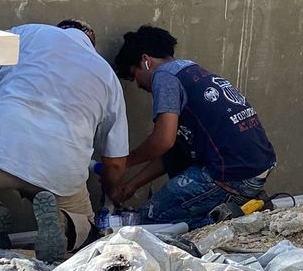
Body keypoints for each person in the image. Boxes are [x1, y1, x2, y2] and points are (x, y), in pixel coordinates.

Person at [0, 21, 130, 262]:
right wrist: (113, 190)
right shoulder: (107, 75)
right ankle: (65, 225)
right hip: (60, 175)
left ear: (60, 28)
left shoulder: (30, 33)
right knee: (88, 226)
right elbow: (116, 163)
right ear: (92, 44)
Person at [111, 25, 277, 228]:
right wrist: (132, 184)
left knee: (150, 219)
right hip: (255, 166)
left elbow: (162, 141)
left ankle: (232, 215)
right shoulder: (192, 72)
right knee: (176, 207)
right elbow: (171, 153)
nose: (138, 85)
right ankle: (241, 206)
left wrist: (123, 162)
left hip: (233, 174)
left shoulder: (164, 77)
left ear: (146, 61)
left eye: (134, 74)